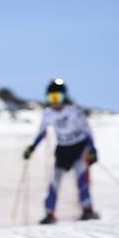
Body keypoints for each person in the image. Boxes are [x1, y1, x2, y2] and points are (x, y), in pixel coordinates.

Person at [23, 78, 98, 224]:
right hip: (63, 150)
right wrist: (32, 147)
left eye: (58, 97)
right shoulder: (48, 114)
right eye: (51, 98)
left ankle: (87, 210)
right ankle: (49, 214)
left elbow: (87, 130)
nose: (55, 101)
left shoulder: (74, 111)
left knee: (81, 177)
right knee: (55, 181)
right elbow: (42, 132)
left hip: (79, 147)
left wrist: (92, 149)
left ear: (65, 97)